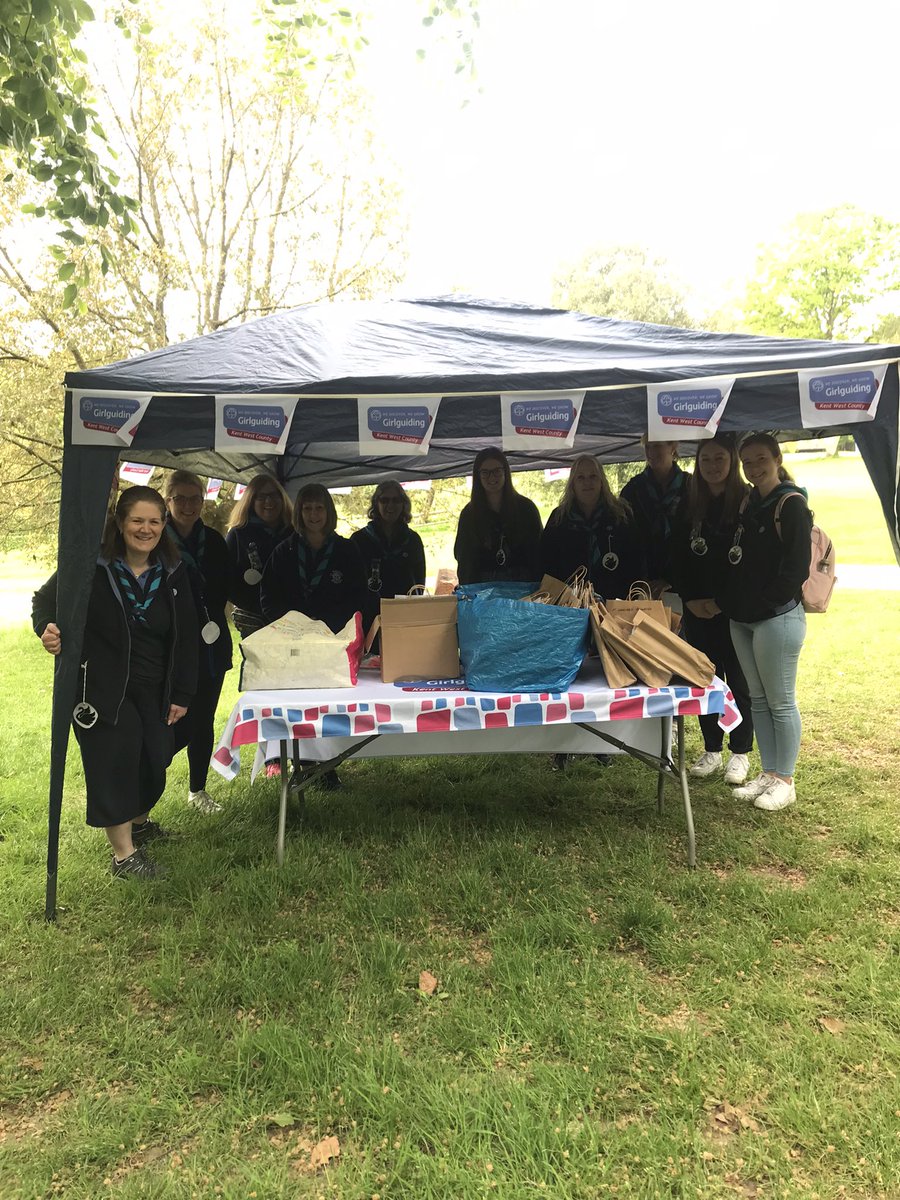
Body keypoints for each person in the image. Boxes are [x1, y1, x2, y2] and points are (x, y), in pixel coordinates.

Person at [32, 486, 198, 879]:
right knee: (115, 763)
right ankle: (124, 857)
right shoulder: (92, 565)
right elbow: (44, 601)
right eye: (137, 520)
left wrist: (183, 691)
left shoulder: (174, 572)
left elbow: (187, 634)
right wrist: (47, 629)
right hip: (99, 687)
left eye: (154, 521)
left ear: (164, 525)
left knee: (156, 759)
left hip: (154, 686)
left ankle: (138, 822)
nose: (146, 529)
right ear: (120, 523)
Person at [714, 433, 811, 812]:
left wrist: (764, 603)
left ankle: (785, 780)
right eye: (747, 463)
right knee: (757, 699)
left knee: (781, 701)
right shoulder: (748, 503)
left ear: (776, 458)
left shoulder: (791, 503)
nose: (754, 468)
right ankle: (769, 773)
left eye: (760, 460)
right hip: (743, 619)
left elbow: (796, 568)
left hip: (776, 618)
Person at [261, 484, 366, 789]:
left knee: (329, 706)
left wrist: (331, 628)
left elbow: (359, 596)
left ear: (329, 511)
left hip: (332, 643)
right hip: (293, 644)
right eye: (307, 508)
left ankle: (326, 765)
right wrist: (291, 627)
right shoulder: (284, 551)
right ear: (299, 512)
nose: (313, 514)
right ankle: (300, 762)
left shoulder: (346, 550)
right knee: (301, 704)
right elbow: (268, 596)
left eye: (319, 508)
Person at [669, 435, 754, 786]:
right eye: (706, 460)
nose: (713, 466)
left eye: (720, 459)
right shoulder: (688, 504)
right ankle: (711, 749)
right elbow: (675, 555)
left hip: (734, 609)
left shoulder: (747, 501)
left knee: (738, 680)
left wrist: (723, 602)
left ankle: (740, 753)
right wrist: (689, 599)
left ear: (732, 461)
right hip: (696, 607)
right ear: (697, 463)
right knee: (705, 678)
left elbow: (750, 562)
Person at [163, 470, 233, 815]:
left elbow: (225, 589)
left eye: (195, 498)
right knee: (171, 719)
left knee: (203, 719)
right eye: (181, 498)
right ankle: (145, 779)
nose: (189, 505)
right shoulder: (156, 538)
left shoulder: (216, 541)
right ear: (168, 500)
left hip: (211, 641)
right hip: (169, 645)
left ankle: (197, 790)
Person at [540, 455, 646, 600]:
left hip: (615, 604)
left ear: (602, 481)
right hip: (570, 606)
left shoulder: (621, 515)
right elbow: (546, 565)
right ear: (572, 484)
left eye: (593, 476)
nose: (587, 482)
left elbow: (636, 560)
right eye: (581, 478)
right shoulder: (559, 518)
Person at [454, 447, 543, 585]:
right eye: (485, 472)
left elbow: (538, 555)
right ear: (478, 476)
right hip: (483, 594)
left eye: (497, 471)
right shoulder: (469, 515)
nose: (491, 477)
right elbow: (465, 562)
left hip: (524, 591)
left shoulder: (526, 509)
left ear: (505, 472)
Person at [349, 480, 427, 634]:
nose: (390, 505)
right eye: (384, 500)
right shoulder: (359, 540)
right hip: (369, 618)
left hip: (404, 617)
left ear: (403, 504)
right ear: (376, 504)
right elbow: (351, 584)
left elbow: (419, 583)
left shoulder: (413, 540)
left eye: (396, 500)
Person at [620, 438, 690, 598]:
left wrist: (671, 579)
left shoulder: (691, 486)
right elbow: (624, 538)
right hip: (643, 585)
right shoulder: (633, 489)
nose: (651, 453)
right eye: (647, 447)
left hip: (685, 584)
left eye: (657, 446)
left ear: (673, 446)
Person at [225, 474, 293, 637]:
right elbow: (227, 580)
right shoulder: (238, 534)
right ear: (251, 501)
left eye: (273, 495)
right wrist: (257, 606)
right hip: (253, 618)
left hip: (290, 618)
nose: (268, 502)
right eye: (261, 497)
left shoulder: (294, 532)